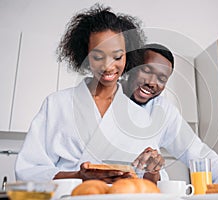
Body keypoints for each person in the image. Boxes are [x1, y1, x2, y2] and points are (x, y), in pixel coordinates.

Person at [15, 4, 164, 184]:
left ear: (127, 55)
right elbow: (28, 170)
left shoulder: (139, 116)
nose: (108, 66)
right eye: (98, 56)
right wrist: (79, 176)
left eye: (117, 57)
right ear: (85, 55)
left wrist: (154, 169)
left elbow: (150, 182)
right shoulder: (57, 104)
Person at [121, 43, 218, 182]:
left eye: (161, 79)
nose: (152, 83)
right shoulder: (106, 96)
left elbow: (196, 152)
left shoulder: (162, 109)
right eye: (146, 71)